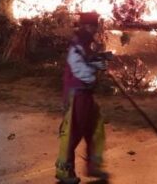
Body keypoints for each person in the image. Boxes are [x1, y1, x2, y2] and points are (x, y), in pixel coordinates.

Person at [55, 12, 108, 184]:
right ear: (85, 26)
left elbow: (87, 60)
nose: (95, 29)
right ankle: (65, 172)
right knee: (73, 133)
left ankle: (94, 166)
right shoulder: (76, 45)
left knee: (94, 129)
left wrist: (98, 60)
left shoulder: (85, 44)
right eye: (92, 26)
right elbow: (80, 69)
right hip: (77, 95)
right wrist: (95, 66)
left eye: (95, 26)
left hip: (86, 94)